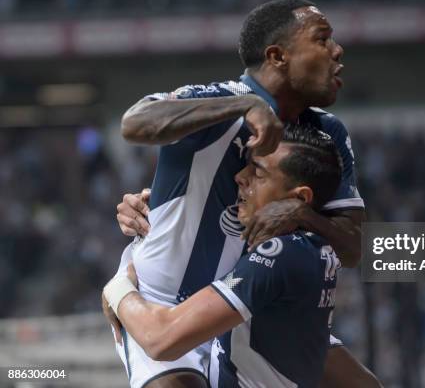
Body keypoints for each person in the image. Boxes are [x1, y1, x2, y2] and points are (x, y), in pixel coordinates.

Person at [109, 0, 377, 388]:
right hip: (167, 305)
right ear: (277, 55)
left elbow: (354, 248)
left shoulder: (325, 135)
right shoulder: (219, 100)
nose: (337, 51)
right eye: (322, 39)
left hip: (257, 307)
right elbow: (135, 123)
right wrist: (242, 105)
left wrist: (302, 215)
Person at [104, 125, 351, 387]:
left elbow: (159, 338)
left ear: (299, 197)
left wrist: (118, 287)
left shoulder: (275, 258)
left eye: (258, 172)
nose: (240, 177)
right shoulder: (314, 250)